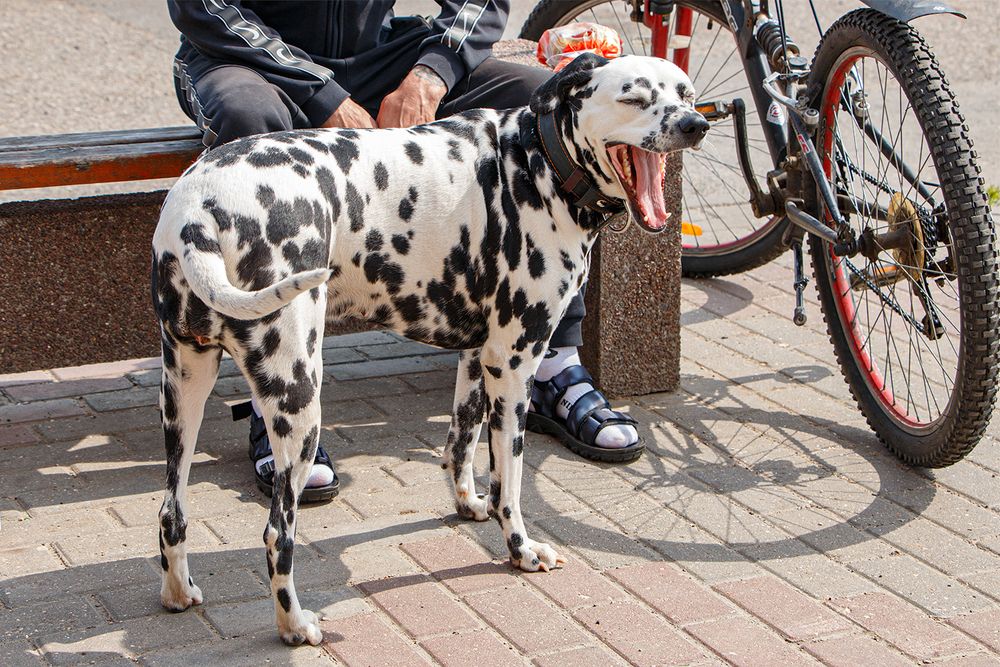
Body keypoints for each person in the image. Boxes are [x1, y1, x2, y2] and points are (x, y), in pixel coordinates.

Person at [167, 0, 643, 503]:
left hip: (379, 57)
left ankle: (551, 364)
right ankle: (275, 401)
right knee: (250, 116)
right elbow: (204, 7)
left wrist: (429, 74)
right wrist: (321, 92)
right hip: (245, 59)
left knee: (534, 102)